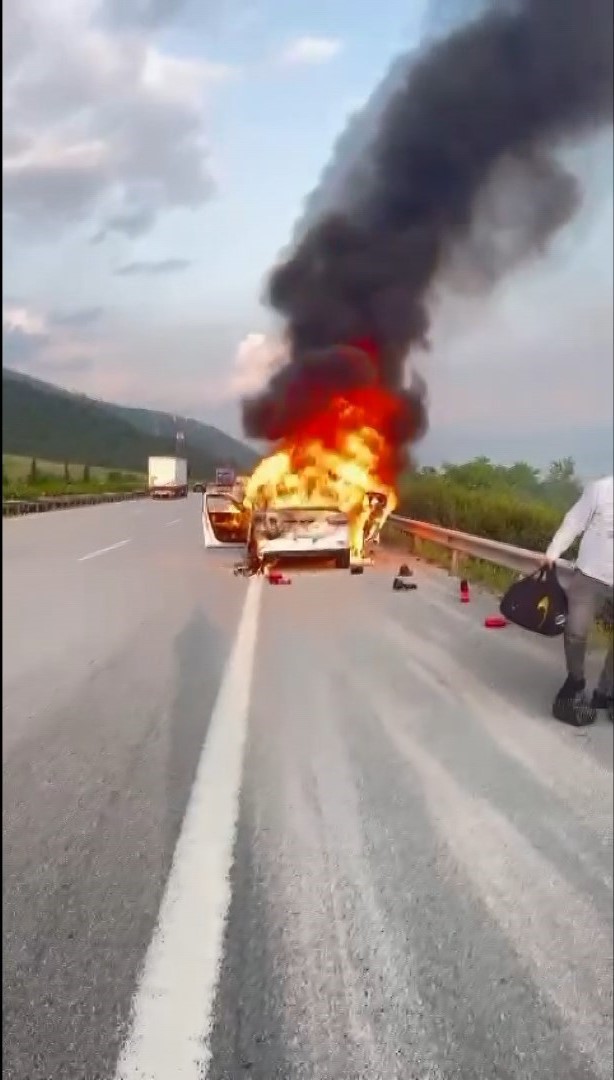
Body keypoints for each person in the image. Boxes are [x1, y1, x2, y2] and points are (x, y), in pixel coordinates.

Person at [543, 474, 613, 726]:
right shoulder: (601, 489)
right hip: (590, 574)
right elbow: (574, 522)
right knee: (575, 631)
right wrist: (553, 551)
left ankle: (606, 691)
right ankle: (576, 681)